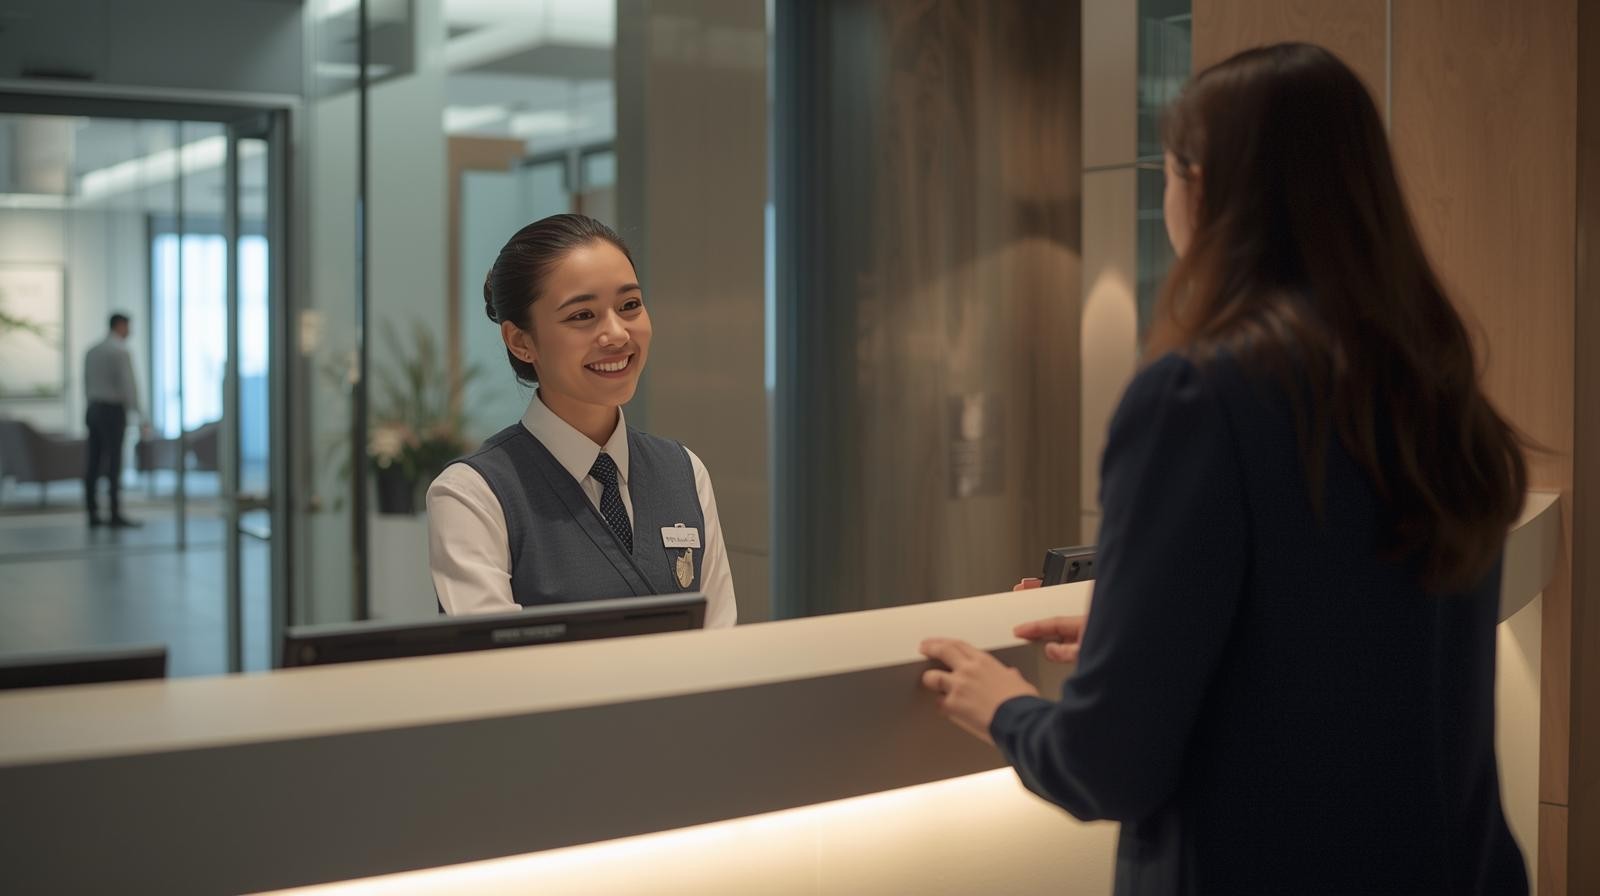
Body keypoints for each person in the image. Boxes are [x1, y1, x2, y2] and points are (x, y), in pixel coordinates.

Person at [919, 43, 1529, 894]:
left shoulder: (1195, 398)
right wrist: (1147, 640)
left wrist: (1004, 709)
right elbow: (1345, 634)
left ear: (1200, 189)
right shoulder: (1435, 389)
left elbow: (1111, 765)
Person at [426, 213, 737, 627]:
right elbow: (497, 672)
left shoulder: (684, 472)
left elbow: (720, 644)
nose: (617, 334)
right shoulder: (473, 495)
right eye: (581, 316)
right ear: (521, 341)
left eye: (629, 305)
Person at [83, 312, 150, 528]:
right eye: (129, 327)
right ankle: (114, 513)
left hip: (93, 409)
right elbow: (129, 387)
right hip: (112, 411)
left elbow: (85, 383)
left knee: (93, 462)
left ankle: (92, 512)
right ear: (120, 326)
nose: (130, 331)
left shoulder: (91, 351)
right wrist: (141, 417)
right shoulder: (119, 352)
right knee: (114, 462)